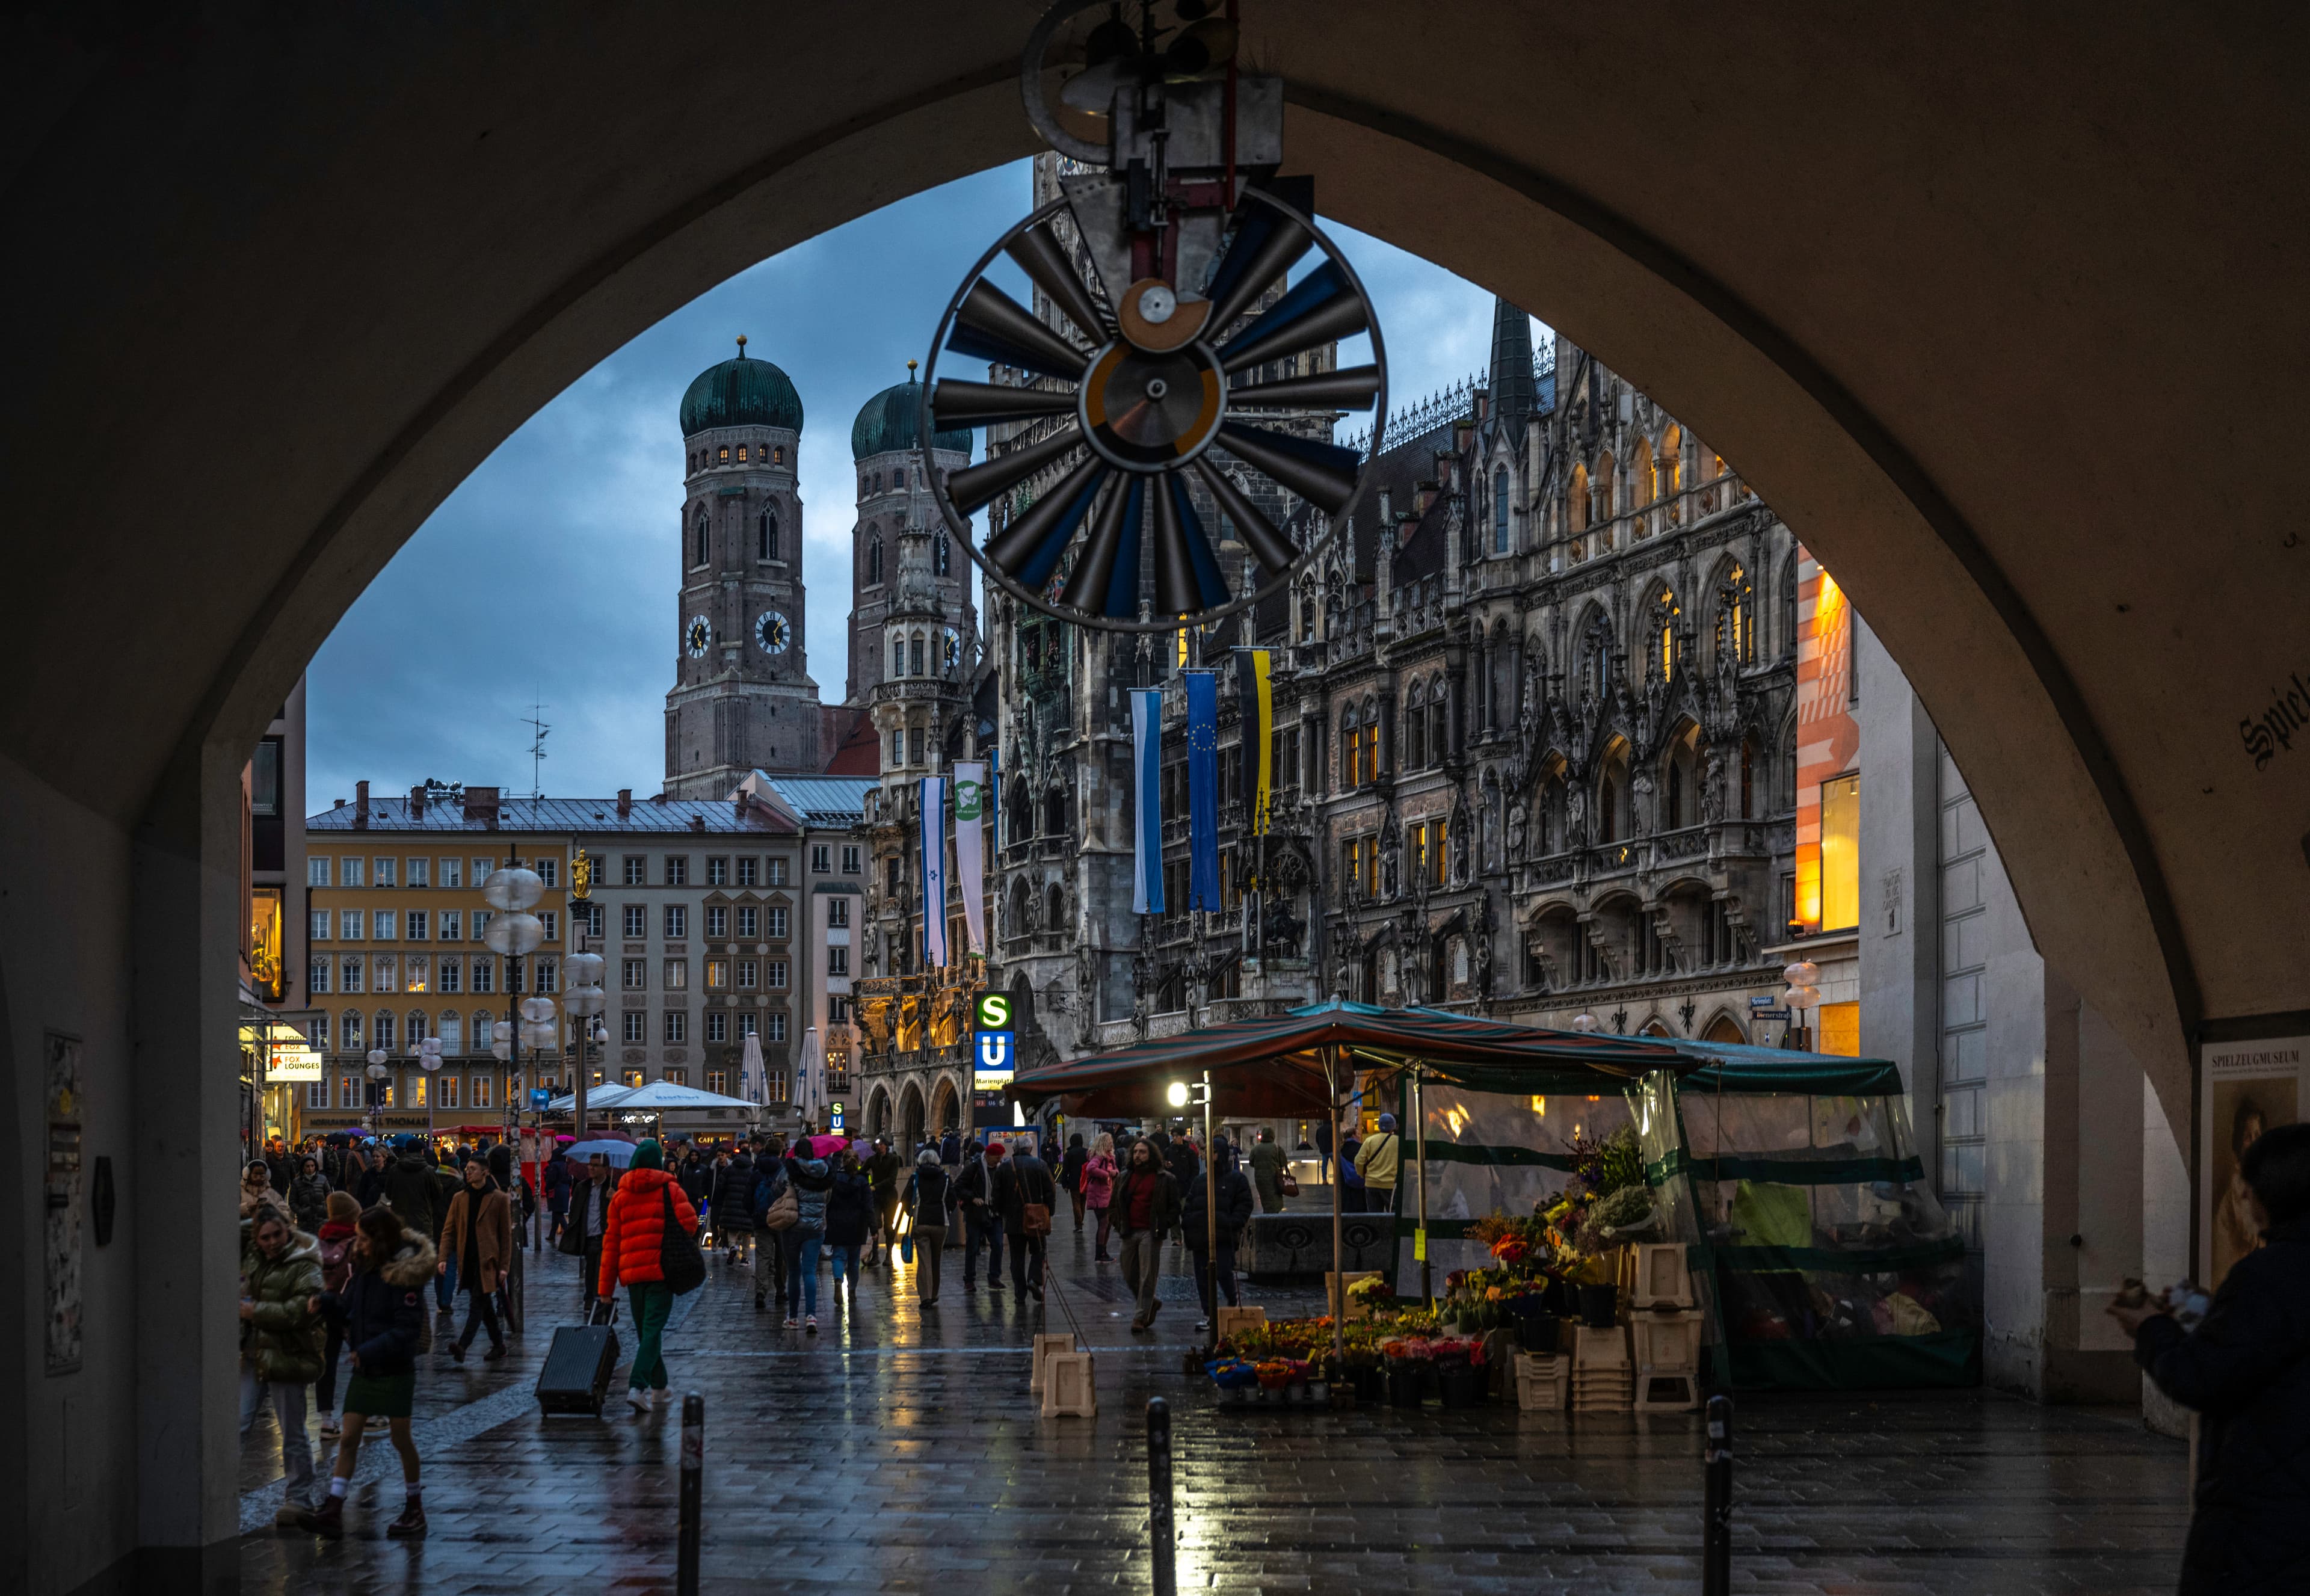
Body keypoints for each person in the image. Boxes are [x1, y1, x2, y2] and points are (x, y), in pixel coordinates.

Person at [2113, 1121, 2310, 1594]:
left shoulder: (2265, 1277)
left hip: (2267, 1524)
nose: (2243, 1198)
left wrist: (2150, 1327)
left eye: (2250, 1188)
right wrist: (2212, 1313)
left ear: (2273, 1194)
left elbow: (2203, 1376)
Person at [300, 1207, 434, 1539]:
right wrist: (324, 1302)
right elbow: (348, 1306)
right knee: (347, 1439)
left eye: (361, 1238)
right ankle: (333, 1506)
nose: (356, 1244)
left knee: (401, 1439)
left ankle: (414, 1506)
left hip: (394, 1368)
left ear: (378, 1239)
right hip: (365, 1367)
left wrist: (367, 1350)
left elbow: (407, 1330)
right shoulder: (364, 1269)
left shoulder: (405, 1275)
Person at [598, 1139, 699, 1413]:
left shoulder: (619, 1196)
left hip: (632, 1276)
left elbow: (611, 1244)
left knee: (646, 1332)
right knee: (653, 1331)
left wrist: (605, 1289)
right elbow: (690, 1224)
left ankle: (660, 1387)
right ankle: (637, 1385)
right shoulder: (671, 1189)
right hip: (661, 1272)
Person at [240, 1207, 325, 1527]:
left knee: (292, 1430)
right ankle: (217, 1497)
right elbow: (229, 1230)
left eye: (278, 1234)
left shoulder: (304, 1261)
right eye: (265, 1237)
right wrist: (255, 1213)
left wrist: (256, 1312)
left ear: (288, 1230)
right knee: (237, 1425)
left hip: (287, 1355)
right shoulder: (253, 1254)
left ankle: (300, 1498)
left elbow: (301, 1310)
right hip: (253, 1355)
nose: (272, 1242)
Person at [437, 1158, 513, 1363]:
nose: (468, 1172)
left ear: (485, 1172)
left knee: (477, 1303)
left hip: (488, 1262)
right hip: (467, 1260)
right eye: (467, 1169)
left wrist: (504, 1267)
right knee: (485, 1305)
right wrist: (443, 1257)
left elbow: (506, 1236)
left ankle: (462, 1346)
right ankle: (499, 1345)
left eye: (473, 1169)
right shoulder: (460, 1198)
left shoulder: (498, 1199)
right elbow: (449, 1230)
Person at [1181, 1138, 1255, 1331]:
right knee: (1203, 1279)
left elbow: (1245, 1204)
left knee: (1223, 1272)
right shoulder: (1199, 1181)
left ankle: (1232, 1303)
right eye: (1207, 1151)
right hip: (1200, 1238)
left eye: (1212, 1151)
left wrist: (1232, 1223)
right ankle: (1208, 1314)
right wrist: (1189, 1225)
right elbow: (1189, 1205)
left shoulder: (1236, 1179)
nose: (1208, 1155)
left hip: (1223, 1237)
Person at [1112, 1139, 1180, 1333]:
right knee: (1128, 1273)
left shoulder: (1165, 1178)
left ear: (1151, 1154)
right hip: (1129, 1231)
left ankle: (1140, 1317)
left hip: (1150, 1232)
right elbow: (1114, 1204)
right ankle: (1152, 1303)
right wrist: (1118, 1223)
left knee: (1147, 1276)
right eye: (1135, 1152)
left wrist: (1164, 1224)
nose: (1138, 1156)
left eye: (1142, 1152)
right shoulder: (1125, 1177)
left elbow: (1175, 1207)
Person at [313, 1191, 359, 1437]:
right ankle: (362, 1414)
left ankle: (326, 1421)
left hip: (325, 1305)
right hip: (349, 1307)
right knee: (362, 1357)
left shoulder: (321, 1238)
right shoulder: (357, 1240)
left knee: (327, 1362)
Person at [998, 1137, 1057, 1302]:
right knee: (1039, 1251)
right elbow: (1050, 1191)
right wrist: (1049, 1211)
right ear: (1030, 1148)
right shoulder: (1040, 1165)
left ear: (1014, 1149)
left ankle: (1020, 1295)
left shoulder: (1004, 1167)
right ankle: (1034, 1279)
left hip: (1013, 1220)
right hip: (1035, 1218)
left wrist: (1001, 1213)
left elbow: (997, 1194)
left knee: (1016, 1258)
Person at [781, 1145, 833, 1331]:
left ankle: (793, 1318)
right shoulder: (824, 1172)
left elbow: (777, 1190)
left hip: (792, 1225)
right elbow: (828, 1198)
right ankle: (811, 1317)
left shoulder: (789, 1171)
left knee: (794, 1272)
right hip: (816, 1227)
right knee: (810, 1272)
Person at [563, 1153, 617, 1319]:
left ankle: (600, 1304)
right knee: (590, 1270)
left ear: (606, 1169)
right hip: (588, 1237)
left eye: (596, 1165)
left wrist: (614, 1199)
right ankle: (592, 1301)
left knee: (602, 1272)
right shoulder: (583, 1187)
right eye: (590, 1164)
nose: (591, 1168)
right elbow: (575, 1212)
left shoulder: (613, 1187)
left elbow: (623, 1212)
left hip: (605, 1237)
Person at [824, 1150, 873, 1312]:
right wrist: (873, 1228)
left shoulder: (834, 1179)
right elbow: (868, 1207)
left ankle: (838, 1280)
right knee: (854, 1261)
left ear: (843, 1162)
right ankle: (852, 1291)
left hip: (837, 1223)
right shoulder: (862, 1181)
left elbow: (828, 1202)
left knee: (838, 1257)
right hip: (858, 1225)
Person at [956, 1140, 1006, 1291]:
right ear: (989, 1156)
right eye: (997, 1157)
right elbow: (958, 1186)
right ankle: (969, 1280)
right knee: (972, 1248)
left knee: (998, 1245)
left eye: (1001, 1157)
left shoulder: (1001, 1169)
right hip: (976, 1214)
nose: (1000, 1160)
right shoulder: (975, 1167)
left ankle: (994, 1277)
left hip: (994, 1213)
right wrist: (972, 1198)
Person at [904, 1149, 951, 1307]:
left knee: (924, 1261)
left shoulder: (915, 1177)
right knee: (936, 1260)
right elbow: (952, 1199)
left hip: (921, 1222)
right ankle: (934, 1293)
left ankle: (925, 1297)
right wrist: (946, 1210)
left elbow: (905, 1200)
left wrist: (910, 1212)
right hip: (940, 1222)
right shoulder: (945, 1178)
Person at [863, 1138, 904, 1266]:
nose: (880, 1147)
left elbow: (892, 1180)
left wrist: (875, 1186)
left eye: (882, 1145)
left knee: (888, 1225)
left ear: (886, 1146)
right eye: (877, 1145)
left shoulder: (893, 1159)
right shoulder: (872, 1160)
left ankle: (889, 1255)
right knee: (874, 1224)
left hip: (889, 1196)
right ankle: (875, 1256)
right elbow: (862, 1171)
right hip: (876, 1197)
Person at [1083, 1132, 1119, 1262]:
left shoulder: (1110, 1157)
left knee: (1107, 1224)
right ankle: (1100, 1253)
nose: (1111, 1143)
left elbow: (1116, 1170)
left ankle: (1103, 1251)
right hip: (1099, 1196)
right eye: (1109, 1141)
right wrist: (1108, 1174)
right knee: (1104, 1223)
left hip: (1107, 1195)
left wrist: (1115, 1173)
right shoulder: (1099, 1157)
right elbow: (1090, 1168)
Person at [1355, 1114, 1402, 1212]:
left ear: (1379, 1126)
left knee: (1374, 1216)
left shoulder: (1370, 1141)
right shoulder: (1399, 1142)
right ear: (1394, 1126)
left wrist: (1363, 1175)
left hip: (1371, 1184)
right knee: (1393, 1215)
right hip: (1391, 1185)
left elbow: (1359, 1161)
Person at [1249, 1128, 1289, 1212]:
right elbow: (1284, 1163)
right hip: (1274, 1179)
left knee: (1265, 1200)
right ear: (1272, 1136)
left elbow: (1251, 1163)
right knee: (1274, 1202)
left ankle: (1267, 1217)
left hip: (1260, 1180)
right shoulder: (1277, 1148)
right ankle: (1272, 1220)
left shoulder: (1255, 1149)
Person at [242, 1160, 292, 1227]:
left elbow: (287, 1215)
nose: (259, 1178)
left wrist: (272, 1209)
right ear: (248, 1175)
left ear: (267, 1176)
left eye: (262, 1175)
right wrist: (247, 1207)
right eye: (255, 1175)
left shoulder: (272, 1194)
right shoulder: (240, 1191)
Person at [289, 1155, 331, 1233]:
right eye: (308, 1166)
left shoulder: (323, 1180)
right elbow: (292, 1202)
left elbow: (329, 1197)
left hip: (322, 1219)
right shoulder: (297, 1183)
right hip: (305, 1221)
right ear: (303, 1168)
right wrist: (301, 1212)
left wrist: (325, 1209)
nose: (310, 1169)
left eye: (312, 1166)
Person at [543, 1147, 572, 1245]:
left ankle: (568, 1233)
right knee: (556, 1213)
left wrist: (547, 1188)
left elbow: (551, 1179)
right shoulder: (566, 1166)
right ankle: (552, 1235)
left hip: (556, 1191)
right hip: (565, 1190)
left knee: (557, 1214)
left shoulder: (554, 1165)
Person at [1061, 1133, 1089, 1231]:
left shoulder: (1069, 1154)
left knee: (1076, 1203)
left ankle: (1079, 1224)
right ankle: (1080, 1222)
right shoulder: (1087, 1152)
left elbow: (1065, 1170)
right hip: (1085, 1182)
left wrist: (1064, 1184)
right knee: (1083, 1203)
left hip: (1074, 1182)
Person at [1338, 1126, 1367, 1213]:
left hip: (1346, 1187)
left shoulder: (1340, 1149)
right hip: (1362, 1185)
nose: (1359, 1136)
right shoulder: (1362, 1147)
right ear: (1353, 1135)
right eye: (1358, 1134)